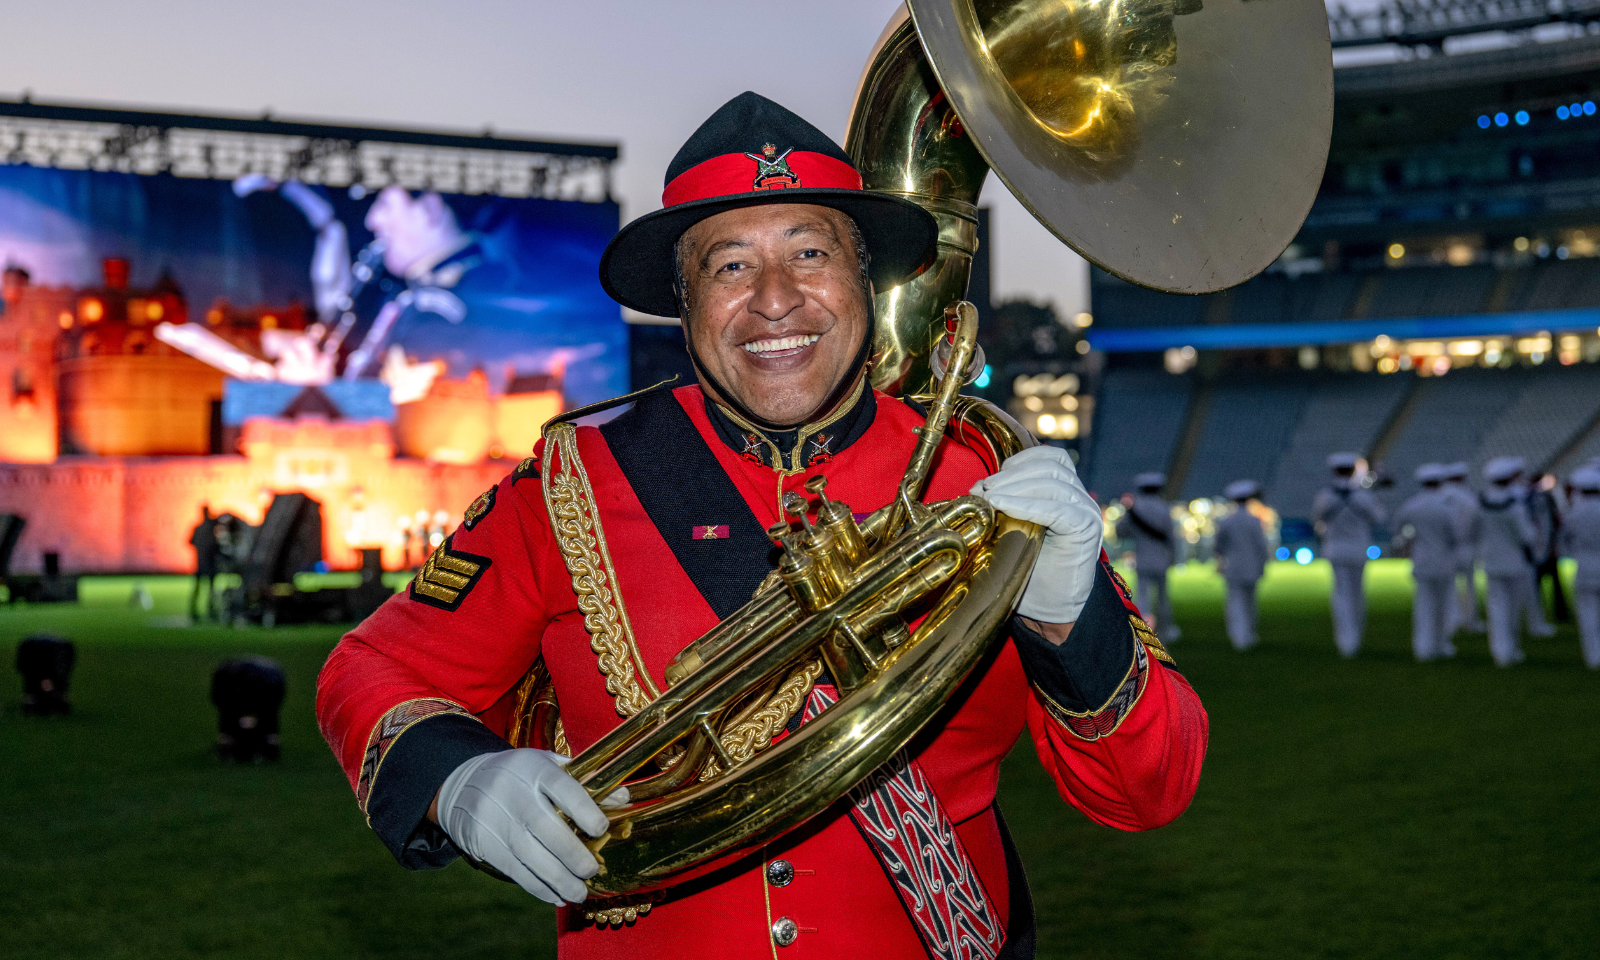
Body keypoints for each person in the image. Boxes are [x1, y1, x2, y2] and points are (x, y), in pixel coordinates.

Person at [314, 92, 1208, 959]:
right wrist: (457, 777)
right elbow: (373, 666)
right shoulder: (569, 483)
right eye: (730, 265)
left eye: (810, 253)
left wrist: (1068, 618)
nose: (775, 299)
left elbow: (1147, 792)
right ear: (685, 301)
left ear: (867, 280)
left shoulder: (981, 480)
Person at [1311, 452, 1385, 658]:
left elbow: (1317, 519)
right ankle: (1355, 639)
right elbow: (1379, 518)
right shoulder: (1363, 496)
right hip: (1358, 549)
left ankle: (1345, 641)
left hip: (1335, 549)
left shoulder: (1325, 495)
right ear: (1353, 471)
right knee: (1356, 594)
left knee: (1341, 595)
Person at [1392, 464, 1459, 661]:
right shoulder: (1447, 507)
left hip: (1421, 560)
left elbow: (1397, 527)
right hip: (1444, 560)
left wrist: (1409, 541)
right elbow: (1455, 535)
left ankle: (1423, 648)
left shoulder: (1412, 505)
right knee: (1443, 607)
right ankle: (1441, 645)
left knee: (1423, 606)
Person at [1480, 457, 1539, 667]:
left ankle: (1500, 651)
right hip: (1514, 562)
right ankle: (1511, 649)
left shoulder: (1481, 502)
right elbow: (1527, 536)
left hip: (1491, 561)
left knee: (1496, 609)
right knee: (1513, 610)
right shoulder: (1515, 505)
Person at [1116, 472, 1181, 642]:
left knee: (1142, 598)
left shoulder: (1135, 509)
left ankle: (1144, 633)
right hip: (1161, 559)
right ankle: (1166, 632)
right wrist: (1173, 558)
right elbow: (1170, 537)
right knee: (1162, 599)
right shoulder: (1164, 507)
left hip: (1143, 560)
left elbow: (1120, 532)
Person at [1213, 479, 1269, 651]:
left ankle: (1239, 637)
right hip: (1251, 566)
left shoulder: (1226, 521)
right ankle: (1250, 635)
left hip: (1234, 566)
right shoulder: (1254, 521)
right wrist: (1263, 564)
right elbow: (1262, 546)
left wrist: (1220, 561)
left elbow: (1218, 545)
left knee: (1235, 603)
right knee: (1250, 603)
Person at [1439, 461, 1485, 636]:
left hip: (1445, 548)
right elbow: (1477, 522)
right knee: (1469, 587)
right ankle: (1470, 621)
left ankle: (1451, 621)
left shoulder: (1440, 495)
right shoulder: (1469, 498)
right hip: (1466, 546)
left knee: (1449, 587)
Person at [1561, 467, 1600, 669]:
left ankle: (1594, 657)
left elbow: (1565, 539)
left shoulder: (1573, 513)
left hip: (1584, 566)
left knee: (1588, 614)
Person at [1527, 472, 1570, 625]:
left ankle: (1549, 615)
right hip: (1541, 547)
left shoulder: (1533, 498)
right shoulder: (1534, 498)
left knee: (1547, 584)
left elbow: (1553, 522)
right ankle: (1541, 616)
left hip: (1541, 547)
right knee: (1543, 584)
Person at [188, 505, 219, 622]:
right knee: (210, 589)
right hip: (208, 563)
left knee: (199, 589)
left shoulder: (199, 528)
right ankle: (210, 611)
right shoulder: (209, 529)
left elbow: (190, 541)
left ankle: (195, 610)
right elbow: (215, 546)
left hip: (201, 563)